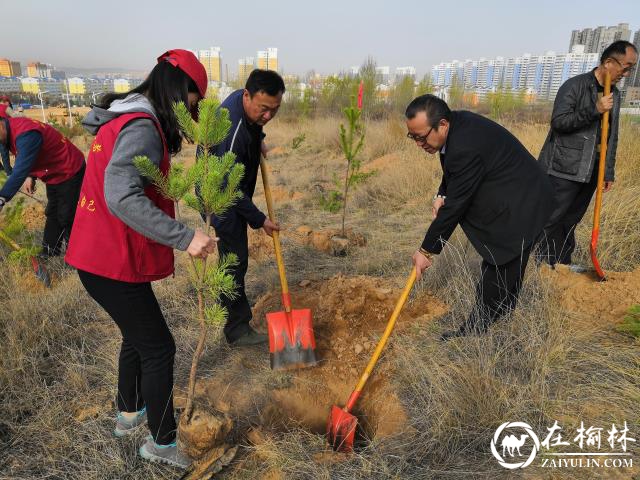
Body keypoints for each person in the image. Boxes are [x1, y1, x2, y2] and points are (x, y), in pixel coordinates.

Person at [65, 49, 215, 469]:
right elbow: (120, 195)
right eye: (193, 101)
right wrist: (185, 237)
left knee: (137, 337)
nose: (192, 111)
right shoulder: (143, 125)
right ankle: (163, 444)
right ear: (177, 88)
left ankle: (129, 415)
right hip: (109, 261)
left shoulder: (123, 115)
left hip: (102, 257)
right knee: (159, 348)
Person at [406, 94, 554, 338]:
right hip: (515, 194)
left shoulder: (465, 144)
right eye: (413, 136)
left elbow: (455, 208)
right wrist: (441, 193)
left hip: (524, 202)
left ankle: (476, 331)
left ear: (442, 124)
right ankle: (501, 315)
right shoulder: (457, 126)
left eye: (421, 137)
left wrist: (426, 251)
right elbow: (452, 171)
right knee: (505, 271)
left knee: (500, 266)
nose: (418, 144)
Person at [200, 69, 284, 346]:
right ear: (247, 95)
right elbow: (229, 190)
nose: (268, 116)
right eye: (263, 109)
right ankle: (236, 328)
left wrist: (258, 137)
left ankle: (229, 306)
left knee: (234, 256)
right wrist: (260, 220)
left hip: (227, 186)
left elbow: (255, 123)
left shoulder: (242, 101)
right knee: (234, 259)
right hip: (219, 197)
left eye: (274, 110)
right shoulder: (232, 133)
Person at [537, 40, 638, 268]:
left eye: (631, 68)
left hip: (592, 171)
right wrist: (595, 109)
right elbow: (559, 122)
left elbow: (612, 135)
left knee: (570, 221)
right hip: (563, 169)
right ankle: (535, 267)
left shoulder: (616, 94)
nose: (627, 73)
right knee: (550, 220)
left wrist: (608, 171)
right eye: (626, 66)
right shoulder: (575, 86)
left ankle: (561, 266)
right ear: (608, 62)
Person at [0, 114, 85, 257]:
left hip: (69, 169)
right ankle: (49, 252)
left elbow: (20, 170)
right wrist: (31, 175)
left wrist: (2, 197)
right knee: (53, 212)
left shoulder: (26, 134)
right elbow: (28, 155)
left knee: (67, 215)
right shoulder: (8, 131)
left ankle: (76, 257)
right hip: (53, 173)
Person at [0, 96, 15, 174]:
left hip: (4, 131)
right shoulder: (6, 108)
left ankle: (6, 170)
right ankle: (9, 171)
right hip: (5, 132)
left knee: (4, 152)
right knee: (5, 151)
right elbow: (15, 117)